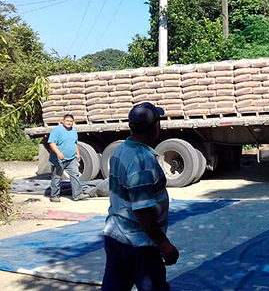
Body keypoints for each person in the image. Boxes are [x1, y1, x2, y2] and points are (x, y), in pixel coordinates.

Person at [101, 102, 179, 291]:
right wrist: (164, 244)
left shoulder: (121, 150)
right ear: (156, 127)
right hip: (139, 243)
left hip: (115, 235)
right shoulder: (142, 162)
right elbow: (142, 209)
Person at [47, 114, 89, 202]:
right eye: (67, 121)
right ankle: (54, 196)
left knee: (75, 175)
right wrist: (58, 153)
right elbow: (51, 143)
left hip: (71, 158)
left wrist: (78, 153)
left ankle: (77, 195)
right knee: (57, 177)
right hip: (59, 159)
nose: (69, 123)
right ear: (62, 121)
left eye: (71, 121)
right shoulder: (57, 130)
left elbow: (75, 143)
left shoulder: (73, 130)